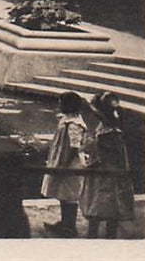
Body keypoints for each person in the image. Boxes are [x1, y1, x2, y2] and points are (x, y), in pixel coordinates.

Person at [80, 92, 135, 238]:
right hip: (112, 173)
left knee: (99, 206)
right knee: (110, 207)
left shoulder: (108, 134)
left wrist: (88, 166)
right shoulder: (109, 130)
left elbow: (103, 158)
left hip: (105, 174)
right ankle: (108, 235)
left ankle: (95, 236)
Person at [41, 91, 88, 237]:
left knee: (69, 196)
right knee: (63, 193)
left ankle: (70, 226)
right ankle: (65, 222)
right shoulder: (67, 119)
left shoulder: (74, 124)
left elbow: (74, 147)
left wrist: (64, 165)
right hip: (62, 160)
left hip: (70, 164)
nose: (59, 105)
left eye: (61, 102)